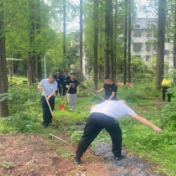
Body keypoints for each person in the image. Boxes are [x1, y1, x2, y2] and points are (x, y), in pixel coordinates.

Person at [74, 100, 163, 164]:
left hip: (93, 116)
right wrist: (154, 126)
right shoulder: (125, 107)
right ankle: (117, 156)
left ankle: (77, 158)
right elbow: (140, 118)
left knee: (86, 137)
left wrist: (94, 116)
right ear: (124, 103)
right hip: (108, 118)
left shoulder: (109, 101)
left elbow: (93, 106)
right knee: (116, 135)